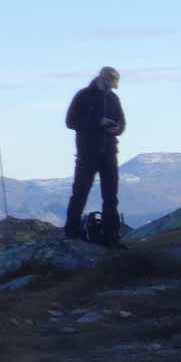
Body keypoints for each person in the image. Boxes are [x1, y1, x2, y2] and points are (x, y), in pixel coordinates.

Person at [63, 66, 125, 245]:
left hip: (109, 153)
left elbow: (122, 122)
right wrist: (98, 123)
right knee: (80, 193)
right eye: (109, 84)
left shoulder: (113, 98)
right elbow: (71, 121)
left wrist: (117, 128)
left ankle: (111, 234)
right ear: (101, 79)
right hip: (87, 154)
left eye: (113, 85)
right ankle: (72, 231)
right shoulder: (83, 96)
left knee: (111, 196)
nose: (110, 88)